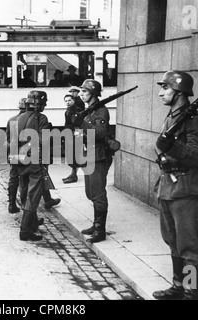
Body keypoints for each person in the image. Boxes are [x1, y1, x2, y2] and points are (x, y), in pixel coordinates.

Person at [152, 71, 198, 301]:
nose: (160, 92)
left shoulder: (195, 120)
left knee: (188, 246)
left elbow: (197, 156)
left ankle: (192, 293)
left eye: (165, 88)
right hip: (168, 186)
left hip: (185, 188)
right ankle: (178, 286)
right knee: (173, 241)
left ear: (179, 91)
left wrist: (171, 147)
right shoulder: (173, 116)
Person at [79, 79, 113, 243]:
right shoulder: (89, 110)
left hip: (98, 156)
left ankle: (100, 230)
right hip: (88, 155)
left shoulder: (101, 111)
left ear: (93, 93)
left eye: (85, 92)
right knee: (90, 192)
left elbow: (99, 133)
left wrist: (82, 124)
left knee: (98, 193)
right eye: (81, 91)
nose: (81, 94)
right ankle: (96, 223)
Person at [16, 90, 51, 241]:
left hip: (19, 159)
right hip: (35, 160)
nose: (45, 106)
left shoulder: (16, 118)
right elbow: (44, 141)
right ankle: (25, 231)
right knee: (33, 195)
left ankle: (32, 224)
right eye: (44, 103)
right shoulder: (41, 118)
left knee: (24, 191)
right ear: (38, 104)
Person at [62, 94, 81, 184]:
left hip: (74, 135)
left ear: (73, 100)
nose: (67, 102)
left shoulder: (76, 110)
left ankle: (74, 175)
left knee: (73, 155)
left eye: (69, 100)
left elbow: (77, 124)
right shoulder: (67, 111)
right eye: (66, 101)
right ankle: (73, 174)